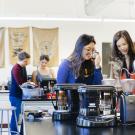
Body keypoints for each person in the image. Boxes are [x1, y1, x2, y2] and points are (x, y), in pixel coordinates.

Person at [9, 51, 30, 135]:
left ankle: (20, 133)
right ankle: (13, 133)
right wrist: (28, 84)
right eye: (25, 61)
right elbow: (20, 83)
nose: (27, 63)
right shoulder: (16, 68)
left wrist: (28, 83)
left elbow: (24, 81)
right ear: (20, 60)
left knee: (20, 116)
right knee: (15, 116)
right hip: (15, 96)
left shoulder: (23, 67)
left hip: (20, 95)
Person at [112, 30, 135, 94]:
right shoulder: (117, 63)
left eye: (124, 44)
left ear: (129, 43)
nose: (122, 48)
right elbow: (115, 83)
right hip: (123, 99)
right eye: (119, 46)